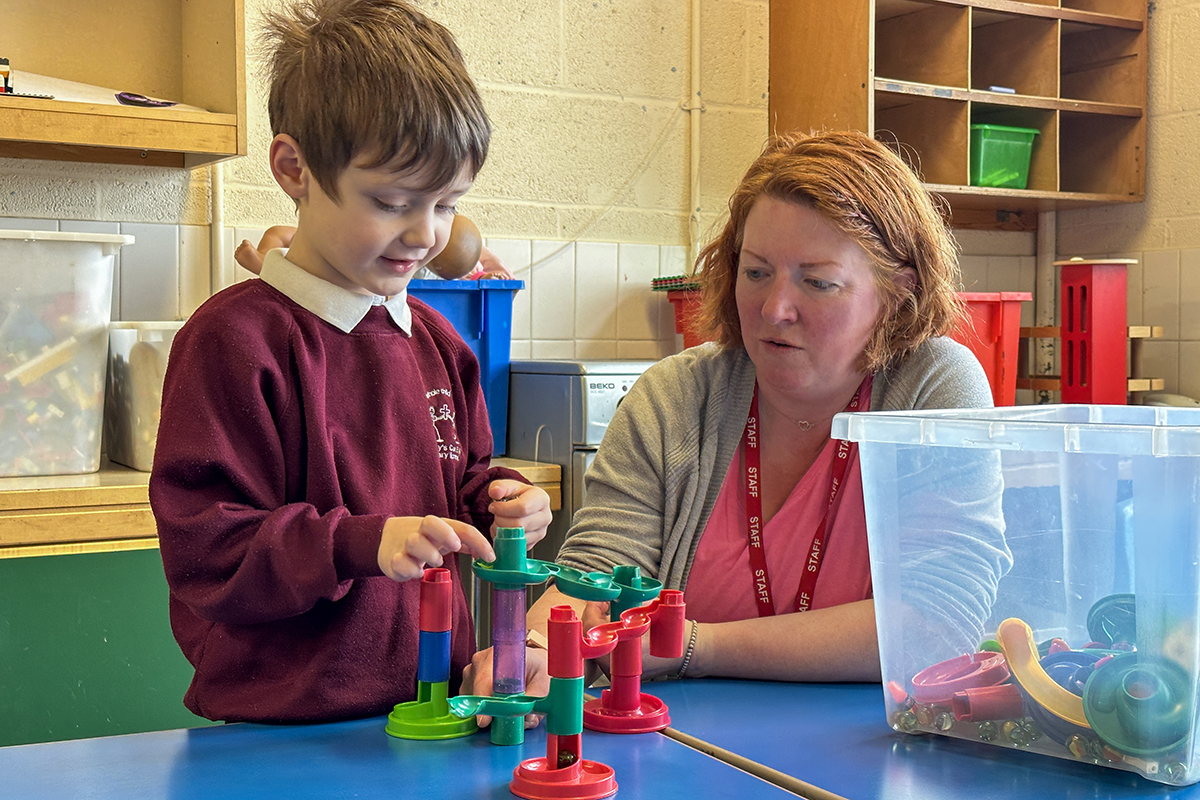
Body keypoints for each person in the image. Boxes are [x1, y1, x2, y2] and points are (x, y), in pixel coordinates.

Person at [463, 129, 1011, 706]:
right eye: (756, 272)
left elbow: (935, 626)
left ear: (898, 289)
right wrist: (538, 646)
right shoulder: (672, 398)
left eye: (818, 282)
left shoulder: (934, 384)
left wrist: (694, 647)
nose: (775, 308)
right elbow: (597, 571)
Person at [149, 0, 551, 725]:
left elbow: (462, 484)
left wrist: (504, 502)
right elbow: (209, 548)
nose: (425, 234)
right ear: (294, 169)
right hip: (285, 731)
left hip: (438, 710)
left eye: (447, 203)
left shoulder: (442, 346)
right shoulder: (234, 341)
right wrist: (361, 542)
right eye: (394, 201)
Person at [234, 224, 515, 279]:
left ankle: (270, 269)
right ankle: (266, 263)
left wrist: (494, 278)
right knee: (279, 234)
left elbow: (504, 282)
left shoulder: (469, 268)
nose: (425, 237)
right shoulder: (461, 239)